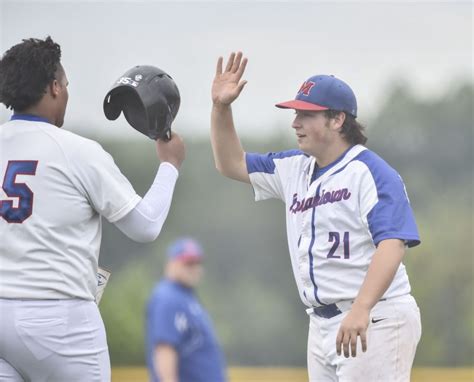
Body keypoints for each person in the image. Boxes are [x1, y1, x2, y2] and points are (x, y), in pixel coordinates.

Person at [210, 52, 422, 382]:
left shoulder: (369, 172)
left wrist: (362, 308)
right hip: (321, 322)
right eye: (296, 114)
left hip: (375, 317)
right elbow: (230, 163)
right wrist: (221, 109)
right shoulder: (294, 167)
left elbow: (393, 243)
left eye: (307, 115)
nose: (295, 123)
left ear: (337, 120)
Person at [0, 36, 185, 381]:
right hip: (58, 318)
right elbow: (145, 226)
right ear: (54, 87)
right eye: (66, 84)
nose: (67, 92)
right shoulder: (77, 150)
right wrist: (170, 166)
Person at [145, 238, 226, 382]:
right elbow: (165, 349)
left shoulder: (185, 296)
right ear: (171, 264)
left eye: (197, 263)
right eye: (188, 263)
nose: (194, 268)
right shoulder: (168, 297)